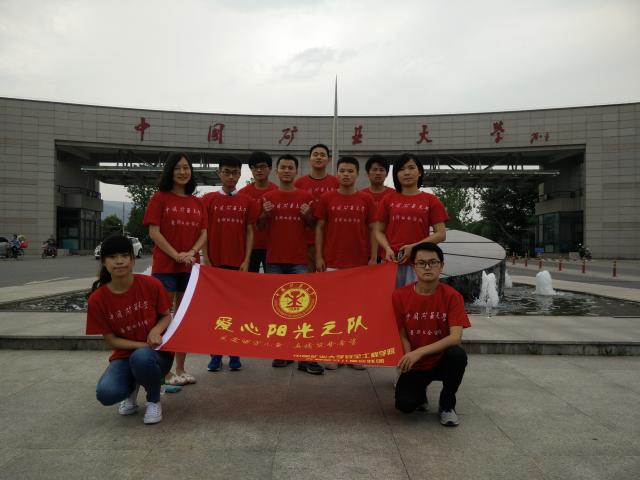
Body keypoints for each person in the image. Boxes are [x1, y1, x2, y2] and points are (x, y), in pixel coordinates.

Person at [86, 234, 174, 425]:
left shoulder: (151, 284)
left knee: (142, 358)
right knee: (107, 393)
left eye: (125, 256)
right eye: (112, 257)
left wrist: (155, 330)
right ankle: (132, 387)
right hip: (125, 356)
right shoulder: (97, 299)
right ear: (103, 262)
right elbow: (111, 340)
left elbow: (167, 316)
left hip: (158, 354)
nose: (119, 261)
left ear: (133, 260)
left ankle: (153, 400)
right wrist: (143, 345)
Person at [143, 152, 207, 386]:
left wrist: (191, 252)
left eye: (186, 167)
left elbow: (204, 233)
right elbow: (154, 232)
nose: (182, 172)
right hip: (165, 267)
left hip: (190, 268)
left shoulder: (197, 202)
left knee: (183, 318)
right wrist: (176, 254)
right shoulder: (159, 198)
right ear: (170, 171)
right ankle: (163, 370)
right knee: (163, 317)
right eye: (178, 168)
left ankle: (180, 368)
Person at [257, 154, 324, 375]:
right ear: (277, 171)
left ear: (296, 171)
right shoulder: (268, 197)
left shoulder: (306, 196)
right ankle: (282, 353)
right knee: (278, 311)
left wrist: (307, 215)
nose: (286, 170)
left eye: (290, 167)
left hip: (299, 261)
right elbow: (259, 226)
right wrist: (265, 214)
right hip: (274, 260)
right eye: (283, 167)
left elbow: (314, 225)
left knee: (302, 310)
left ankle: (303, 357)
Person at [393, 242, 470, 426]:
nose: (427, 267)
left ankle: (447, 405)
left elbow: (455, 337)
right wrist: (409, 356)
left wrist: (419, 352)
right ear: (414, 267)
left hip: (442, 360)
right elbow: (401, 332)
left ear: (441, 266)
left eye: (433, 262)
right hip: (416, 363)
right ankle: (420, 393)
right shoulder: (399, 296)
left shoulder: (452, 296)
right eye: (421, 263)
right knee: (404, 405)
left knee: (457, 355)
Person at [314, 156, 377, 371]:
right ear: (337, 173)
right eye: (342, 170)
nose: (346, 174)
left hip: (359, 263)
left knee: (356, 311)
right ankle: (333, 352)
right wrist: (319, 257)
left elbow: (373, 230)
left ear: (357, 174)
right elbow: (320, 228)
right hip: (332, 261)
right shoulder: (327, 198)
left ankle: (355, 353)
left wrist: (373, 258)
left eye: (350, 171)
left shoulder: (366, 199)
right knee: (332, 310)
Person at [202, 156, 260, 372]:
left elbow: (250, 232)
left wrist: (246, 259)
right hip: (214, 265)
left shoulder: (247, 201)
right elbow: (204, 232)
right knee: (216, 312)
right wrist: (206, 258)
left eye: (235, 172)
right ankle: (216, 355)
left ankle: (235, 353)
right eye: (226, 172)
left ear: (240, 174)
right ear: (219, 173)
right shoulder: (207, 200)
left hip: (238, 264)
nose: (231, 176)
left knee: (236, 311)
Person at [375, 153, 448, 287]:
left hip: (418, 263)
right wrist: (387, 249)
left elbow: (441, 234)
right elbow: (378, 231)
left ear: (419, 172)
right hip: (391, 262)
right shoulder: (388, 199)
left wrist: (414, 247)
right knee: (390, 298)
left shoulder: (431, 200)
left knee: (415, 298)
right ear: (396, 175)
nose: (407, 173)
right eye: (401, 169)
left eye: (411, 168)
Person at [294, 144, 339, 272]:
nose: (319, 157)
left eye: (322, 155)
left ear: (328, 160)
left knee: (327, 281)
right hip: (305, 242)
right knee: (307, 281)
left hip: (329, 242)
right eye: (315, 154)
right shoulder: (299, 183)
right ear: (310, 159)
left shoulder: (336, 182)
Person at [239, 151, 278, 273]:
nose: (259, 170)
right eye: (255, 167)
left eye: (262, 166)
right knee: (249, 281)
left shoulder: (277, 191)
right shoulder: (243, 194)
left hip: (272, 247)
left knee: (271, 282)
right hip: (250, 248)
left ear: (270, 168)